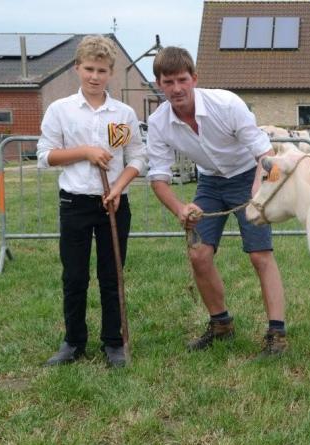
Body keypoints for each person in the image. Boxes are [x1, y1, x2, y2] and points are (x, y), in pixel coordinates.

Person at [145, 46, 288, 356]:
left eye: (182, 79)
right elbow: (158, 178)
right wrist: (180, 209)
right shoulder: (157, 123)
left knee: (260, 255)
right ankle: (221, 324)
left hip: (247, 174)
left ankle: (277, 333)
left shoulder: (227, 104)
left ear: (194, 78)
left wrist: (257, 191)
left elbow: (266, 156)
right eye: (168, 82)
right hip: (209, 182)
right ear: (159, 84)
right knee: (198, 254)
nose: (177, 88)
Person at [37, 35, 147, 368]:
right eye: (89, 69)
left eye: (101, 70)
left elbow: (137, 158)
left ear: (111, 72)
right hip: (75, 203)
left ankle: (113, 342)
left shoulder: (123, 114)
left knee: (112, 274)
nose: (95, 76)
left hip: (113, 204)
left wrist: (118, 187)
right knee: (74, 275)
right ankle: (73, 341)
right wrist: (84, 152)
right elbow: (45, 156)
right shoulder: (61, 110)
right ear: (77, 69)